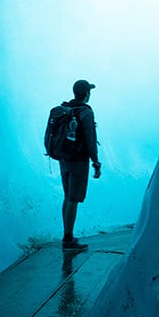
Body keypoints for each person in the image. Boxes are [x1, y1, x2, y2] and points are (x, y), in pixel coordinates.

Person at [59, 79, 101, 251]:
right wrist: (96, 162)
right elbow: (90, 140)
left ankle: (67, 235)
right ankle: (68, 239)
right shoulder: (85, 112)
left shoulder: (66, 109)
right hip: (78, 160)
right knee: (73, 199)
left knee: (68, 197)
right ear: (86, 94)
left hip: (64, 159)